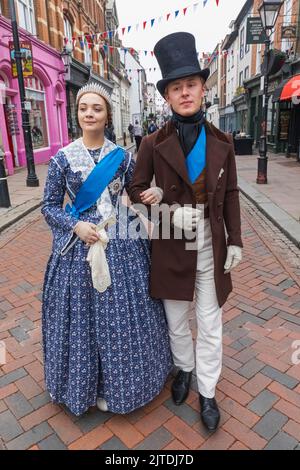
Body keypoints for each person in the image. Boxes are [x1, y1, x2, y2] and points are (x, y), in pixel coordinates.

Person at [129, 33, 243, 432]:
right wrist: (166, 212)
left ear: (202, 87)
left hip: (210, 245)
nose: (185, 92)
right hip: (171, 245)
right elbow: (134, 188)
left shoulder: (223, 141)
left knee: (210, 322)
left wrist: (236, 240)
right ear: (167, 95)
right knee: (177, 321)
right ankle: (184, 370)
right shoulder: (150, 143)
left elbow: (230, 194)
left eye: (190, 84)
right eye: (176, 87)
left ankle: (207, 391)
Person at [42, 82, 172, 417]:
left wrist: (151, 195)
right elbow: (49, 206)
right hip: (80, 247)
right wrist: (75, 225)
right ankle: (85, 388)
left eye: (96, 108)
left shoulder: (123, 157)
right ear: (77, 113)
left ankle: (123, 386)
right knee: (83, 320)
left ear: (107, 115)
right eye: (83, 108)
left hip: (121, 242)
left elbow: (136, 189)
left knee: (122, 317)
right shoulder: (61, 159)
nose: (89, 113)